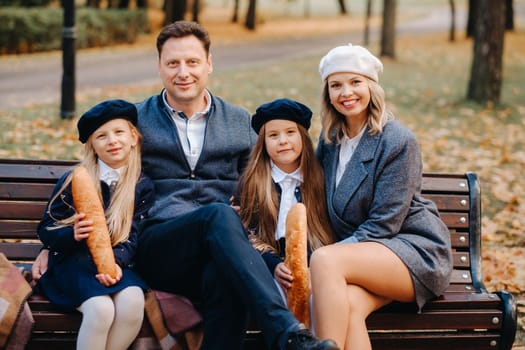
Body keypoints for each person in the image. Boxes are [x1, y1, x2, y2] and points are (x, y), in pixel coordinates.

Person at [32, 21, 339, 350]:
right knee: (219, 215)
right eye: (173, 63)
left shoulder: (238, 122)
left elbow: (261, 183)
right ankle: (288, 333)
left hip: (223, 248)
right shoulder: (136, 121)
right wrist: (55, 245)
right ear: (160, 67)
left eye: (192, 62)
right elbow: (92, 175)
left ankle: (288, 335)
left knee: (225, 278)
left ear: (209, 63)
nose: (183, 72)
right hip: (158, 245)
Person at [309, 44, 454, 350]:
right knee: (348, 305)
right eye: (336, 85)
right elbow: (310, 196)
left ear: (372, 87)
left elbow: (383, 226)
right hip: (362, 257)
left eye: (355, 82)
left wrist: (329, 259)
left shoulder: (397, 141)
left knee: (324, 260)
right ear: (328, 94)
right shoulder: (330, 142)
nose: (346, 92)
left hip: (413, 251)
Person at [35, 99, 155, 350]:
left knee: (133, 302)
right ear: (92, 145)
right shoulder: (75, 179)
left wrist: (117, 263)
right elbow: (46, 228)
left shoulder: (141, 184)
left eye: (119, 132)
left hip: (116, 262)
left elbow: (134, 233)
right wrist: (72, 234)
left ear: (134, 137)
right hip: (72, 264)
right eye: (102, 136)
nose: (112, 140)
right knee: (100, 309)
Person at [236, 98, 335, 297]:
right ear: (263, 144)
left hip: (314, 264)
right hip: (267, 266)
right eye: (273, 135)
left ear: (303, 137)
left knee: (318, 294)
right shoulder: (253, 182)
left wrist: (306, 264)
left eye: (290, 132)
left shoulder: (319, 179)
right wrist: (273, 264)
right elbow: (247, 232)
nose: (283, 141)